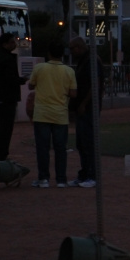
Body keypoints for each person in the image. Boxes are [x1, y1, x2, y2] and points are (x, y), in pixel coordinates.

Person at [27, 41, 77, 188]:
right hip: (60, 114)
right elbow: (73, 93)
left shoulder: (39, 68)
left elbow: (30, 85)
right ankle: (61, 179)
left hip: (42, 113)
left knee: (42, 148)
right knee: (60, 148)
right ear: (62, 54)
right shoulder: (69, 71)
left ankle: (43, 179)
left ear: (49, 53)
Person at [67, 37, 103, 187]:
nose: (71, 52)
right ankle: (85, 174)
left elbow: (95, 84)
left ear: (79, 47)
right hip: (83, 107)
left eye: (72, 49)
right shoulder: (84, 60)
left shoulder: (91, 61)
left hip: (88, 107)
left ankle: (92, 175)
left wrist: (84, 103)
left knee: (88, 142)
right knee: (82, 143)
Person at [0, 33, 25, 169]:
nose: (14, 44)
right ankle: (1, 157)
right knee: (5, 131)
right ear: (5, 44)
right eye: (12, 42)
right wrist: (22, 80)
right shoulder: (8, 59)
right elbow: (10, 79)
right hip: (7, 99)